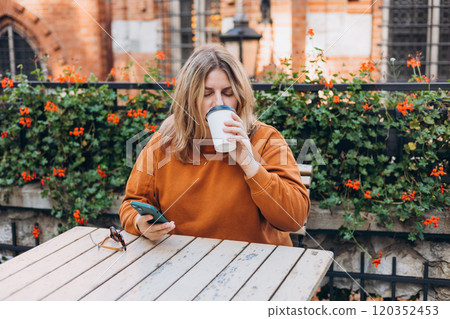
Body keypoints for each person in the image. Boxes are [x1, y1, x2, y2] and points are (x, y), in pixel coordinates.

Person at [119, 44, 310, 246]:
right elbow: (131, 204)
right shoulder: (164, 142)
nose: (218, 102)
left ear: (240, 97)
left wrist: (250, 165)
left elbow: (294, 218)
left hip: (255, 266)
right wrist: (140, 223)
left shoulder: (265, 139)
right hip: (185, 264)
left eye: (228, 93)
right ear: (189, 98)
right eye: (207, 93)